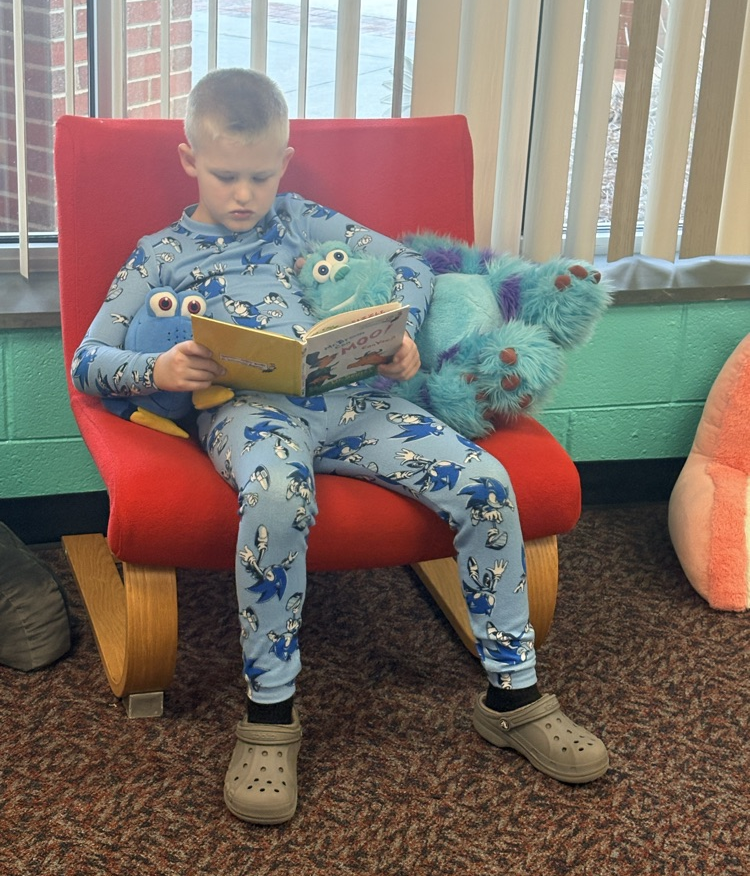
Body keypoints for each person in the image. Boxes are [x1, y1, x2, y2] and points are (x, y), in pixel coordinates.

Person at [71, 68, 609, 825]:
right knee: (275, 497)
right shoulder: (157, 255)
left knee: (485, 482)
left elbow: (410, 265)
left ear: (283, 163)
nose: (243, 195)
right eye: (226, 175)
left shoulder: (302, 220)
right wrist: (156, 369)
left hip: (354, 399)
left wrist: (403, 335)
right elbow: (88, 362)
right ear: (190, 159)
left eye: (261, 175)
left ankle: (513, 694)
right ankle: (269, 712)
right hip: (251, 414)